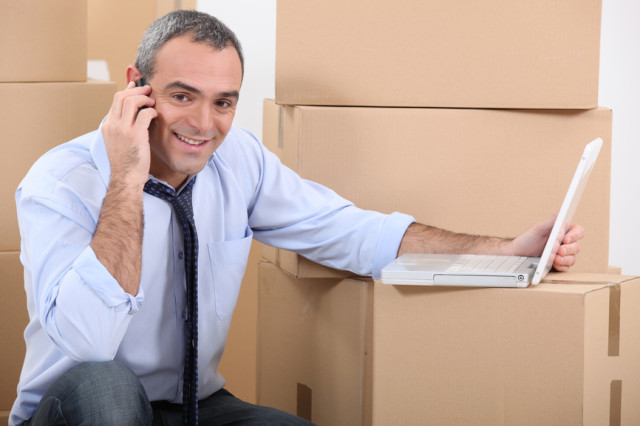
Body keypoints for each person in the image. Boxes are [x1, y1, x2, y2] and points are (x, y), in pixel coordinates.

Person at [10, 10, 583, 426]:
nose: (204, 123)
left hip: (194, 407)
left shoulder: (239, 161)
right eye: (182, 96)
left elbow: (352, 231)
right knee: (111, 387)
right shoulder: (60, 182)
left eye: (224, 101)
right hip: (82, 407)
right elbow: (87, 341)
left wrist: (505, 249)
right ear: (137, 88)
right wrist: (127, 179)